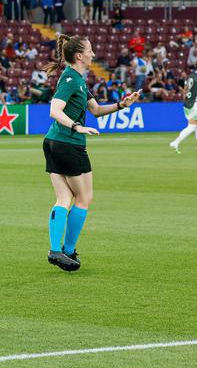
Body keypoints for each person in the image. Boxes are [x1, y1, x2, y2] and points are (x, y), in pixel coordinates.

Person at [42, 35, 139, 272]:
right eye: (90, 50)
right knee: (84, 199)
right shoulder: (71, 79)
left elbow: (95, 110)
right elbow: (54, 110)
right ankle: (66, 250)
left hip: (54, 142)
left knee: (65, 199)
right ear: (79, 56)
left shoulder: (78, 80)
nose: (93, 54)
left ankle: (58, 251)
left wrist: (121, 105)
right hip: (69, 143)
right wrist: (76, 126)